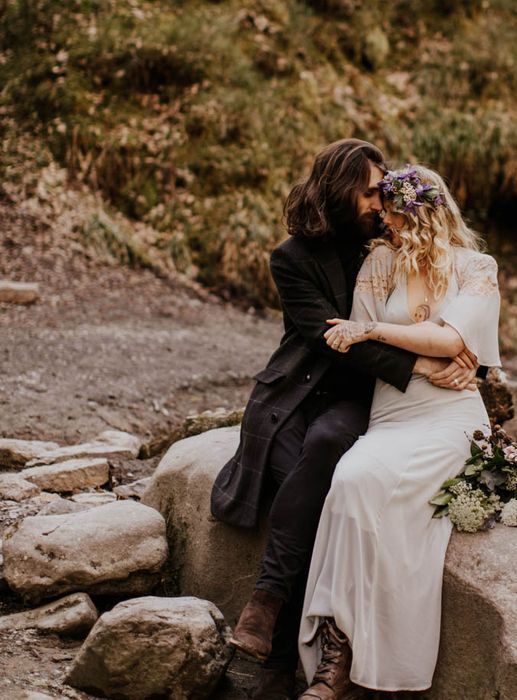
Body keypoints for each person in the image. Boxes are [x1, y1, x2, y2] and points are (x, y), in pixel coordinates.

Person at [209, 141, 480, 699]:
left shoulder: (386, 244)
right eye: (366, 192)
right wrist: (427, 366)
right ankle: (275, 645)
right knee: (295, 477)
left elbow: (435, 304)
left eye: (381, 192)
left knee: (330, 451)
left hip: (358, 399)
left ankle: (271, 622)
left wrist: (456, 363)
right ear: (337, 192)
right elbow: (331, 339)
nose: (379, 203)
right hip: (297, 391)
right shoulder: (292, 258)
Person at [298, 164, 501, 699]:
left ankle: (361, 670)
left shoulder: (477, 267)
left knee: (386, 497)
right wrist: (424, 342)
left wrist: (372, 328)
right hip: (392, 414)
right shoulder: (379, 264)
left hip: (451, 416)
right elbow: (394, 350)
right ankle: (338, 649)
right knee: (351, 481)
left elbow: (448, 335)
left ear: (420, 214)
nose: (381, 223)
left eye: (390, 214)